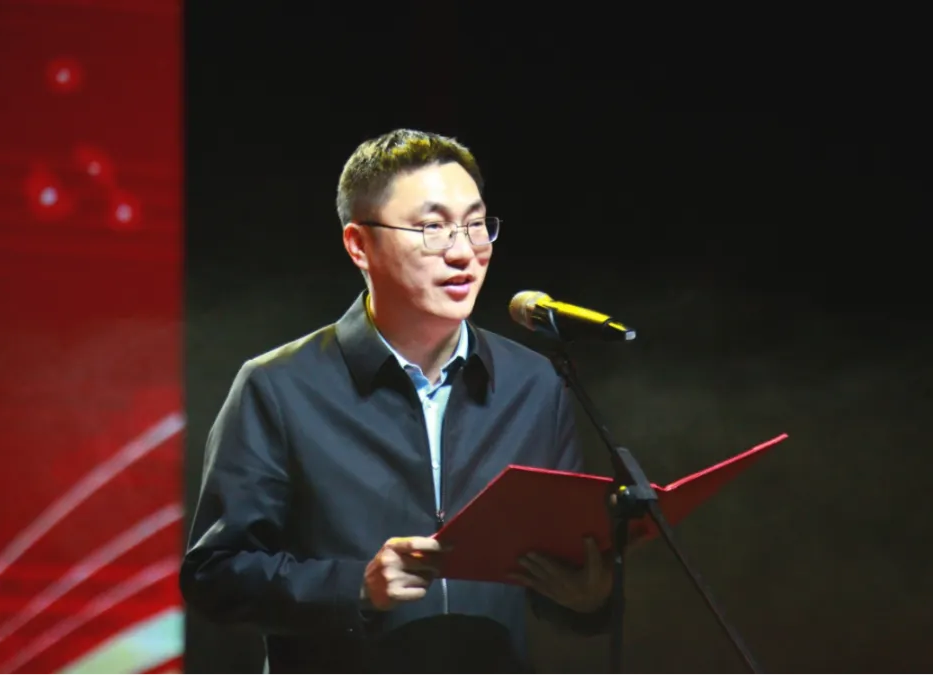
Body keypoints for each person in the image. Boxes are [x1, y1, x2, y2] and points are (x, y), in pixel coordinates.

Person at [180, 129, 620, 674]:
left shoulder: (533, 383)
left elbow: (551, 575)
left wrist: (587, 599)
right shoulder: (279, 386)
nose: (463, 251)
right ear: (359, 245)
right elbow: (215, 574)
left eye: (475, 223)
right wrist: (356, 586)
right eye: (432, 228)